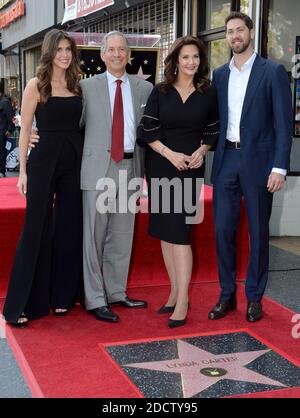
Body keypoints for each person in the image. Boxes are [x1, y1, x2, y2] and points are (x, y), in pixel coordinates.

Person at [209, 12, 293, 323]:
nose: (234, 36)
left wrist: (279, 167)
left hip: (259, 162)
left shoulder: (272, 72)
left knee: (258, 232)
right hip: (226, 159)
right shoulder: (220, 75)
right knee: (222, 230)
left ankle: (254, 298)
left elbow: (284, 125)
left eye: (239, 30)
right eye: (230, 32)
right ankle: (227, 294)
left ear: (251, 32)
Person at [3, 30, 84, 327]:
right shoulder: (36, 85)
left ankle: (63, 297)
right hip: (43, 161)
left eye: (68, 49)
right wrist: (22, 170)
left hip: (73, 161)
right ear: (49, 53)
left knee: (68, 226)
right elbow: (25, 130)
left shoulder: (78, 85)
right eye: (60, 49)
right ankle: (24, 303)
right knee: (36, 227)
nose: (65, 54)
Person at [138, 36, 219, 328]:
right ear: (176, 60)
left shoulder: (208, 92)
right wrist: (170, 154)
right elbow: (146, 129)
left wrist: (201, 151)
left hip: (190, 168)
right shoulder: (161, 91)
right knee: (165, 231)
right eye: (185, 57)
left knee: (180, 233)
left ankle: (183, 299)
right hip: (161, 164)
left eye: (195, 57)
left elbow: (213, 130)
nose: (191, 62)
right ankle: (174, 292)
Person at [79, 31, 153, 323]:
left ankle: (116, 292)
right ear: (102, 54)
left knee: (122, 235)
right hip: (98, 169)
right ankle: (95, 299)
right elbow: (72, 126)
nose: (117, 54)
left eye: (122, 49)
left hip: (131, 168)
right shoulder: (86, 87)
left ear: (129, 54)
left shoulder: (143, 88)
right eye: (111, 49)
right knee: (94, 236)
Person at [0, 82, 15, 178]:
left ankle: (1, 170)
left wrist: (9, 130)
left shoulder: (5, 102)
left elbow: (11, 117)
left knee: (1, 152)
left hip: (2, 131)